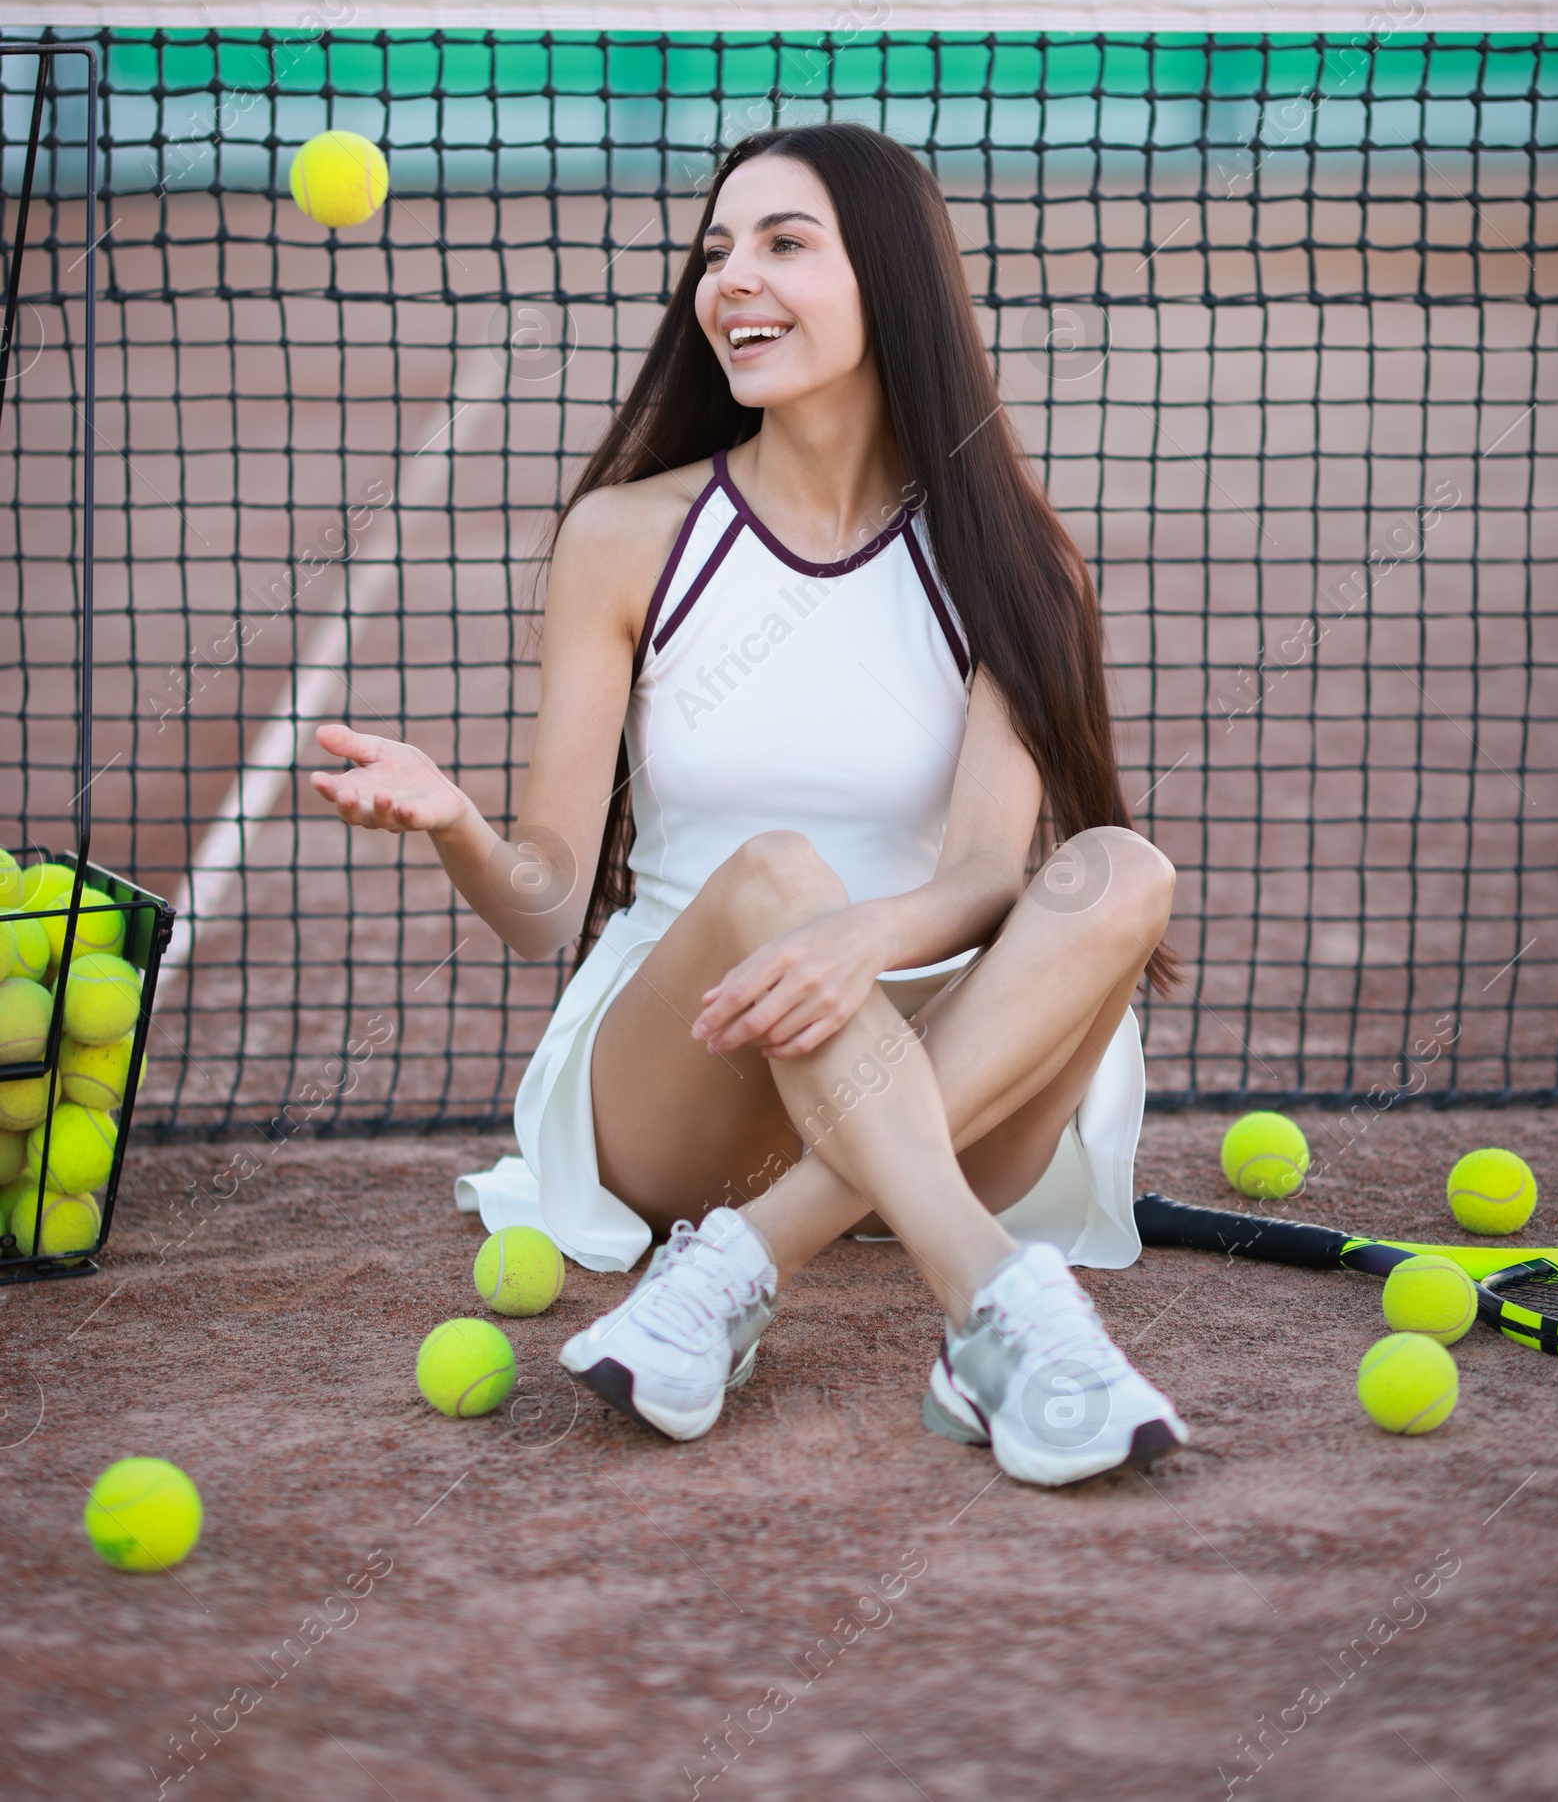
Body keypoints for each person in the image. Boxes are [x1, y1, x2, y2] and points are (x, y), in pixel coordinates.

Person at [311, 121, 1185, 1488]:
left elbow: (976, 873)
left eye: (786, 243)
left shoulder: (1019, 555)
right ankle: (993, 1310)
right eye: (718, 249)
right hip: (687, 1076)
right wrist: (458, 823)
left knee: (1123, 869)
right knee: (777, 874)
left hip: (939, 1064)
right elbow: (544, 905)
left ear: (890, 278)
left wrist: (867, 938)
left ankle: (742, 1264)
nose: (732, 279)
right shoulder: (626, 535)